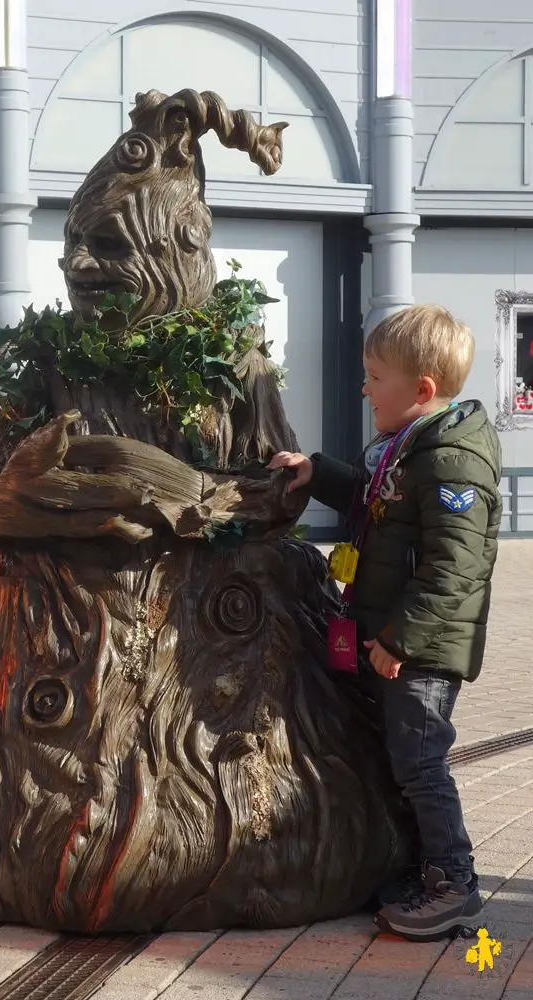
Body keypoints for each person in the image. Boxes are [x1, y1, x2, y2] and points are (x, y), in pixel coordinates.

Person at [268, 304, 501, 942]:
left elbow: (456, 566)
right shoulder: (413, 445)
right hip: (385, 640)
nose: (363, 387)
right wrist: (319, 473)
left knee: (421, 763)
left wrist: (400, 639)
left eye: (375, 376)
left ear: (421, 389)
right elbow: (380, 507)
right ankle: (416, 868)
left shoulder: (453, 461)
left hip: (414, 650)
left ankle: (455, 883)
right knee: (394, 758)